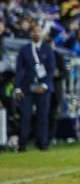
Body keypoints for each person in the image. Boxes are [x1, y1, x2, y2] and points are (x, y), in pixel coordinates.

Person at [13, 22, 56, 151]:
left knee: (43, 116)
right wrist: (17, 87)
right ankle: (22, 144)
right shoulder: (24, 49)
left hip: (43, 88)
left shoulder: (48, 49)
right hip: (27, 86)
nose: (36, 33)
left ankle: (42, 143)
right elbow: (19, 69)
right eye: (34, 31)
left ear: (42, 33)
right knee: (25, 115)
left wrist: (44, 85)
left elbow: (51, 69)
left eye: (38, 31)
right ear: (31, 33)